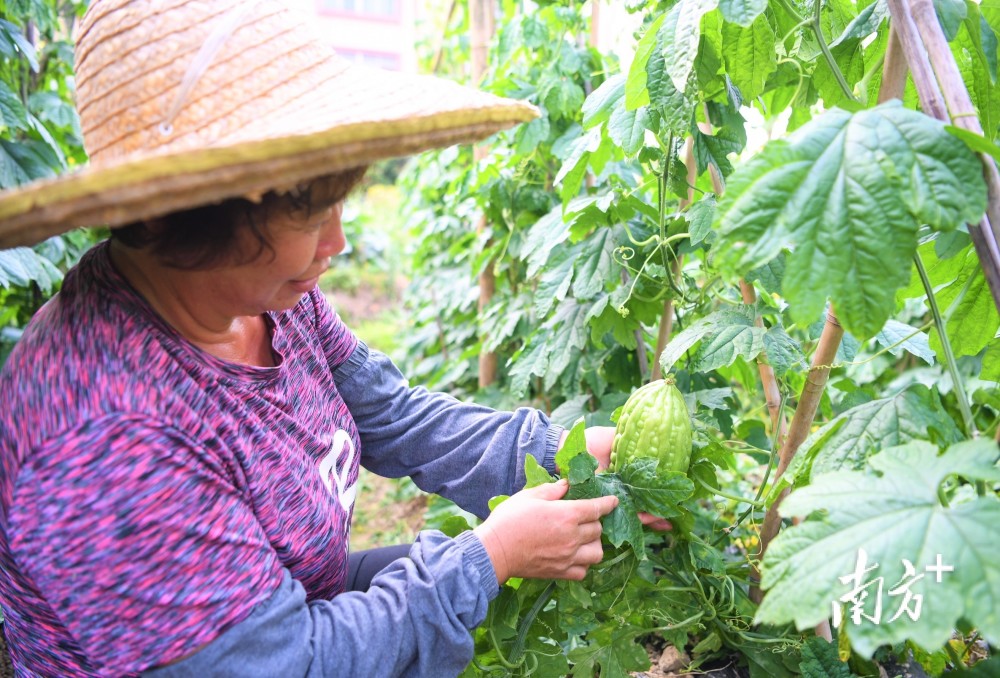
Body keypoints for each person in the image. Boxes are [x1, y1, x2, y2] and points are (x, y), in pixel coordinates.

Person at [0, 1, 666, 676]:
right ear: (202, 211)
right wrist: (486, 557)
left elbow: (391, 416)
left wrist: (556, 450)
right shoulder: (104, 437)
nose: (339, 242)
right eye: (312, 212)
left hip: (295, 608)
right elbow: (278, 664)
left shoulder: (269, 300)